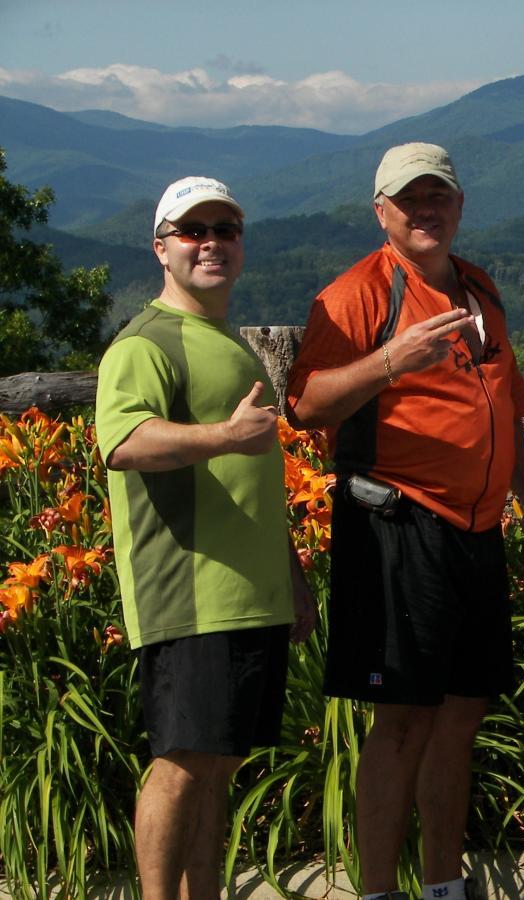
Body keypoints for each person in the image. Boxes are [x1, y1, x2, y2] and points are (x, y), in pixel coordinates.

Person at [287, 143, 524, 900]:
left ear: (461, 204)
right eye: (409, 200)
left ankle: (443, 884)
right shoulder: (357, 296)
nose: (426, 210)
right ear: (382, 212)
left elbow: (504, 406)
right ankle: (377, 891)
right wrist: (389, 362)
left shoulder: (479, 289)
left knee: (462, 716)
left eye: (438, 196)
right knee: (401, 720)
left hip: (475, 533)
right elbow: (305, 406)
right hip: (396, 529)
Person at [96, 176, 317, 900]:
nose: (212, 242)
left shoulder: (224, 341)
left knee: (216, 763)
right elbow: (125, 442)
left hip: (248, 595)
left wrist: (289, 573)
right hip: (190, 593)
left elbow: (253, 483)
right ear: (161, 248)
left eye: (226, 229)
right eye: (194, 231)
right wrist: (224, 434)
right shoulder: (146, 342)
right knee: (182, 763)